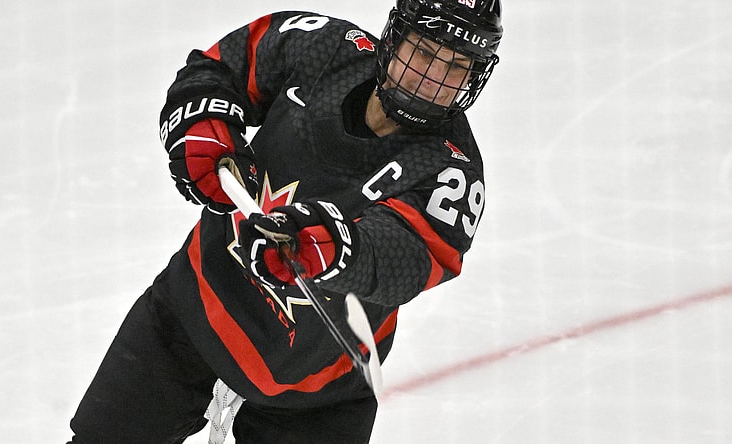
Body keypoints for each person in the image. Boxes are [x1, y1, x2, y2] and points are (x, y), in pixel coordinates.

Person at [68, 0, 503, 442]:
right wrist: (201, 124)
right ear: (394, 38)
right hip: (190, 315)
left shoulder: (452, 172)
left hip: (318, 393)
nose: (434, 79)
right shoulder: (323, 48)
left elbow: (400, 259)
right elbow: (219, 68)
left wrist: (331, 245)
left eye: (457, 65)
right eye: (424, 52)